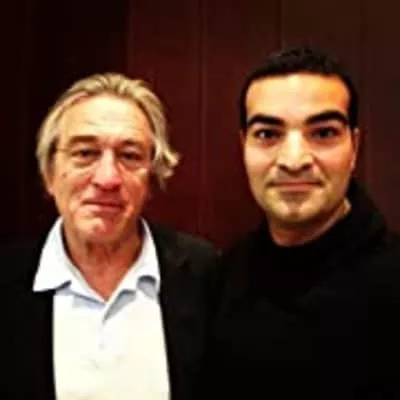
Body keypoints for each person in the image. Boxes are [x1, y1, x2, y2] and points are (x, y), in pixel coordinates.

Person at [2, 73, 218, 400]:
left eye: (129, 156)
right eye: (85, 153)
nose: (107, 178)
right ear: (49, 173)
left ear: (151, 178)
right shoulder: (5, 282)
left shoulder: (204, 275)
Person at [204, 47, 400, 398]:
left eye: (323, 133)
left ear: (354, 148)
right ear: (243, 146)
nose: (293, 160)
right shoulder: (221, 277)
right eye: (268, 134)